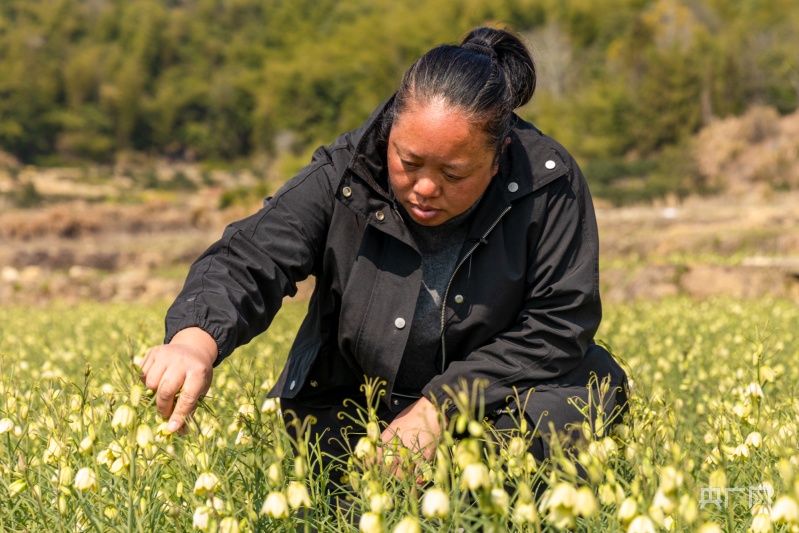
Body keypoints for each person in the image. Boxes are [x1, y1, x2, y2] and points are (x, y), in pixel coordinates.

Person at [140, 26, 627, 474]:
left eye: (453, 174)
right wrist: (195, 339)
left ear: (498, 158)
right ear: (391, 131)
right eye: (408, 161)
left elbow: (558, 323)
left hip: (493, 405)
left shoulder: (548, 183)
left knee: (584, 395)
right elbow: (253, 256)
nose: (425, 188)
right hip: (357, 408)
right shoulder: (348, 170)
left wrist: (440, 407)